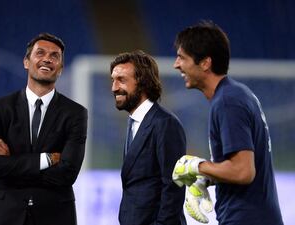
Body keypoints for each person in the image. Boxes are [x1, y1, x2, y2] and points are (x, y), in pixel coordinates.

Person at [172, 21, 283, 225]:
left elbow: (243, 171)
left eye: (182, 57)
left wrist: (198, 166)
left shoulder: (228, 101)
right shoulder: (235, 94)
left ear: (205, 63)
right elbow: (242, 165)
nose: (176, 64)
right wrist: (206, 178)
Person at [0, 33, 88, 225]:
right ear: (26, 62)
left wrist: (11, 161)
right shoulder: (0, 107)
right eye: (40, 53)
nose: (47, 58)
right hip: (5, 215)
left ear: (61, 69)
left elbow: (68, 173)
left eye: (54, 56)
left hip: (55, 215)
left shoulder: (76, 113)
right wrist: (46, 159)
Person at [110, 50, 187, 225]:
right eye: (113, 80)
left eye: (121, 80)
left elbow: (174, 185)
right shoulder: (134, 122)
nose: (114, 87)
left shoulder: (165, 123)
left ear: (143, 83)